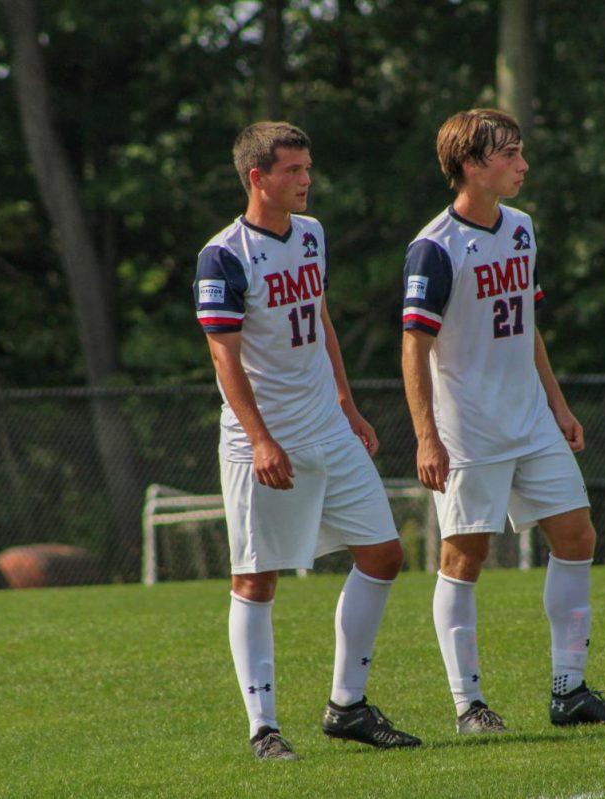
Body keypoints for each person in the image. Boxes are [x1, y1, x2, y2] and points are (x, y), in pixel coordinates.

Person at [400, 108, 605, 733]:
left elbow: (527, 325)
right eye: (509, 153)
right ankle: (469, 705)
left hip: (531, 419)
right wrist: (426, 436)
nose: (522, 164)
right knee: (465, 556)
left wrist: (558, 406)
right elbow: (414, 347)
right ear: (472, 166)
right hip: (469, 428)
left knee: (577, 535)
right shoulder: (434, 248)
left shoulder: (522, 228)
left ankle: (570, 691)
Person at [195, 121, 421, 760]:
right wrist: (261, 440)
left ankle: (347, 706)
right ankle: (264, 729)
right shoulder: (224, 255)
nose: (306, 181)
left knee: (383, 554)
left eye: (308, 168)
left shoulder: (313, 233)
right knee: (256, 580)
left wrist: (348, 403)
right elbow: (224, 357)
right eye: (293, 170)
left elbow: (320, 318)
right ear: (257, 177)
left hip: (327, 425)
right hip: (263, 441)